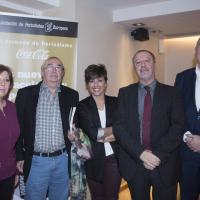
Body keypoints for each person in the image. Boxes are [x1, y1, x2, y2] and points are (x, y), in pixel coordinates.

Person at [113, 50, 185, 200]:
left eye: (147, 61)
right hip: (135, 163)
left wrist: (155, 156)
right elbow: (119, 128)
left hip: (164, 163)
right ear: (134, 68)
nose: (143, 65)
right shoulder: (124, 93)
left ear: (155, 65)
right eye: (138, 62)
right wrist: (141, 153)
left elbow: (177, 127)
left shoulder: (172, 93)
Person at [15, 57, 79, 200]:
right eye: (49, 67)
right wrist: (19, 156)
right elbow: (18, 129)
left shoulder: (72, 95)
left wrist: (74, 134)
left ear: (62, 73)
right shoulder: (25, 94)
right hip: (37, 161)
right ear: (42, 72)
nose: (54, 70)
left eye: (58, 67)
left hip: (63, 160)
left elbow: (75, 124)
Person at [74, 64, 121, 200]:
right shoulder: (83, 106)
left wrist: (104, 135)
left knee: (112, 196)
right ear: (87, 84)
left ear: (105, 83)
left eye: (99, 80)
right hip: (93, 160)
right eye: (91, 81)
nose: (96, 84)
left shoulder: (116, 102)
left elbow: (124, 129)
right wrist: (115, 129)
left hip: (114, 159)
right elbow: (93, 135)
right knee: (97, 197)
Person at [175, 37, 200, 200]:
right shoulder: (182, 77)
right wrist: (187, 136)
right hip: (187, 154)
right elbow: (175, 112)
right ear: (196, 50)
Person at [0, 64, 20, 200]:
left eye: (6, 80)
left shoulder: (12, 107)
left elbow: (12, 143)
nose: (2, 83)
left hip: (9, 175)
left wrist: (15, 170)